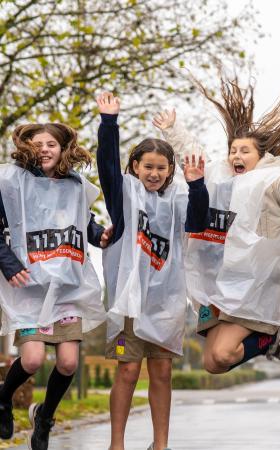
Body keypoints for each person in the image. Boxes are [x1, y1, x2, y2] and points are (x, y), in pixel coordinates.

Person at [155, 77, 280, 376]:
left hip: (250, 287)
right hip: (213, 286)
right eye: (233, 150)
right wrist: (172, 130)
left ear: (261, 158)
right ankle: (273, 342)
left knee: (221, 354)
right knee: (213, 363)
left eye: (245, 151)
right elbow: (193, 154)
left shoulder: (271, 183)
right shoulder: (218, 176)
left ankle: (278, 332)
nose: (237, 156)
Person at [96, 92, 209, 450]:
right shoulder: (124, 195)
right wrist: (109, 123)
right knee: (127, 371)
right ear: (135, 167)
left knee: (161, 373)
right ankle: (118, 443)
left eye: (162, 168)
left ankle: (160, 444)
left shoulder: (177, 199)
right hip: (130, 301)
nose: (155, 173)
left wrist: (197, 184)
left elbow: (199, 220)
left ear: (170, 170)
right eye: (148, 167)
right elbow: (107, 168)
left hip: (165, 303)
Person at [0, 123, 109, 450]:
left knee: (68, 363)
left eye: (51, 143)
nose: (45, 149)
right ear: (26, 148)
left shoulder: (75, 186)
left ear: (63, 149)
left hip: (65, 289)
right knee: (31, 360)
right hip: (30, 287)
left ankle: (44, 417)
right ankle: (4, 399)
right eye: (38, 144)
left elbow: (84, 223)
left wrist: (100, 234)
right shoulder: (11, 183)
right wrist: (8, 262)